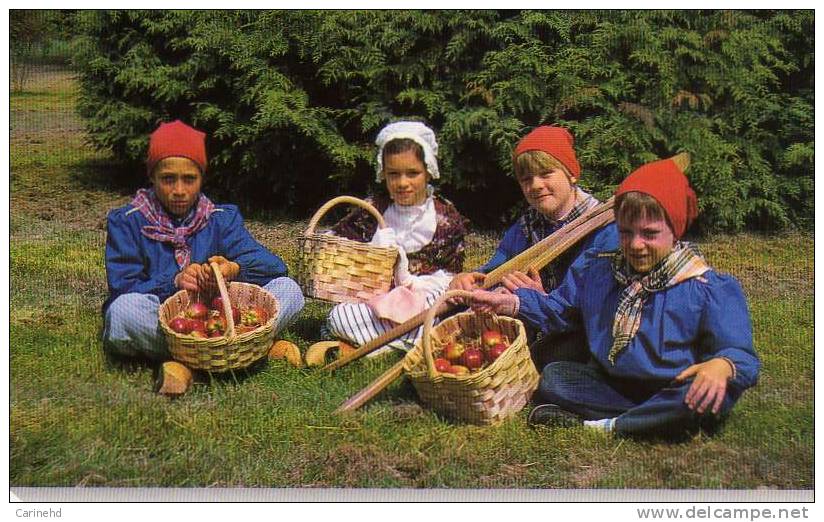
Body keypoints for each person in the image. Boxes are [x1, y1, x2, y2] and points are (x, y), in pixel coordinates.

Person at [470, 157, 760, 437]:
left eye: (650, 234)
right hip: (612, 385)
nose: (635, 244)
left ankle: (602, 426)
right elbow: (561, 308)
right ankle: (649, 419)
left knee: (707, 397)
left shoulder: (706, 287)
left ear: (675, 230)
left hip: (673, 386)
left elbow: (740, 354)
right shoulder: (599, 268)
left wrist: (722, 365)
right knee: (554, 376)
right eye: (625, 232)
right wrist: (512, 302)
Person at [103, 120, 305, 361]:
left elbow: (275, 266)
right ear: (152, 176)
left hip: (215, 317)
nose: (179, 190)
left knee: (290, 289)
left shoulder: (219, 219)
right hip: (164, 319)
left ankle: (195, 357)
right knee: (123, 312)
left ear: (201, 178)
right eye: (168, 179)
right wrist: (175, 280)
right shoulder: (127, 222)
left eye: (189, 179)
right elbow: (123, 287)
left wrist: (233, 268)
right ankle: (236, 350)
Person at [449, 125, 618, 366]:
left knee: (550, 361)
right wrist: (473, 281)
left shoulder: (600, 229)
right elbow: (500, 266)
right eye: (526, 179)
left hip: (578, 323)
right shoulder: (530, 224)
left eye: (546, 173)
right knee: (460, 317)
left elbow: (574, 305)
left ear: (571, 174)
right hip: (534, 309)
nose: (536, 185)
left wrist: (536, 298)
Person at [325, 121, 468, 354]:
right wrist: (373, 251)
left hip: (425, 297)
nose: (403, 183)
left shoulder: (446, 217)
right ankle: (414, 342)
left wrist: (412, 284)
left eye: (413, 173)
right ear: (384, 174)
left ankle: (374, 344)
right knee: (341, 315)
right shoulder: (373, 209)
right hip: (376, 298)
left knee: (443, 310)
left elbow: (450, 277)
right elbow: (337, 245)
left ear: (428, 172)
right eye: (394, 174)